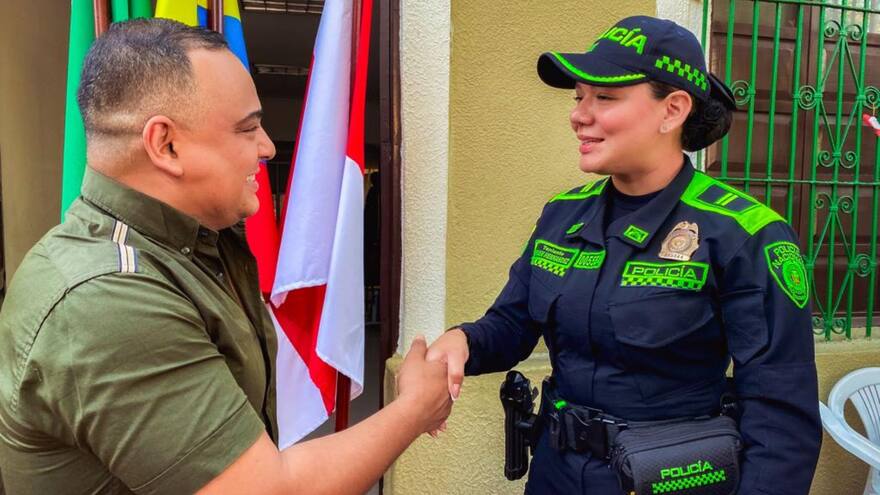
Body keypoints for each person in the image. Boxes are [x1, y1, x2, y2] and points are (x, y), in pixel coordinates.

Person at [0, 18, 451, 495]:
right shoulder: (106, 298)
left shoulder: (187, 246)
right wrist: (415, 408)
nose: (267, 147)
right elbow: (267, 490)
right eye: (247, 128)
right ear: (166, 144)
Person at [427, 15, 821, 494]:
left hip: (672, 477)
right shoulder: (563, 215)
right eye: (578, 98)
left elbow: (780, 417)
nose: (579, 115)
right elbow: (512, 325)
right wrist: (462, 342)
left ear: (672, 110)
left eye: (605, 97)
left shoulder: (744, 233)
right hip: (556, 473)